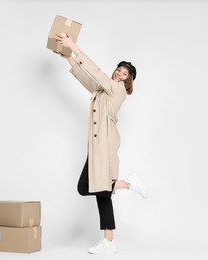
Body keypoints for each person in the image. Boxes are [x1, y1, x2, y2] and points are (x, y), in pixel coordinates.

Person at [53, 33, 148, 254]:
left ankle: (110, 238)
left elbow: (95, 72)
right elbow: (87, 79)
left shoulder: (117, 89)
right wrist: (67, 57)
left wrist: (74, 47)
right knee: (95, 189)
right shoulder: (104, 89)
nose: (119, 73)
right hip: (97, 144)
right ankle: (110, 239)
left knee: (100, 189)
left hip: (104, 143)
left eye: (124, 73)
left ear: (127, 80)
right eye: (119, 69)